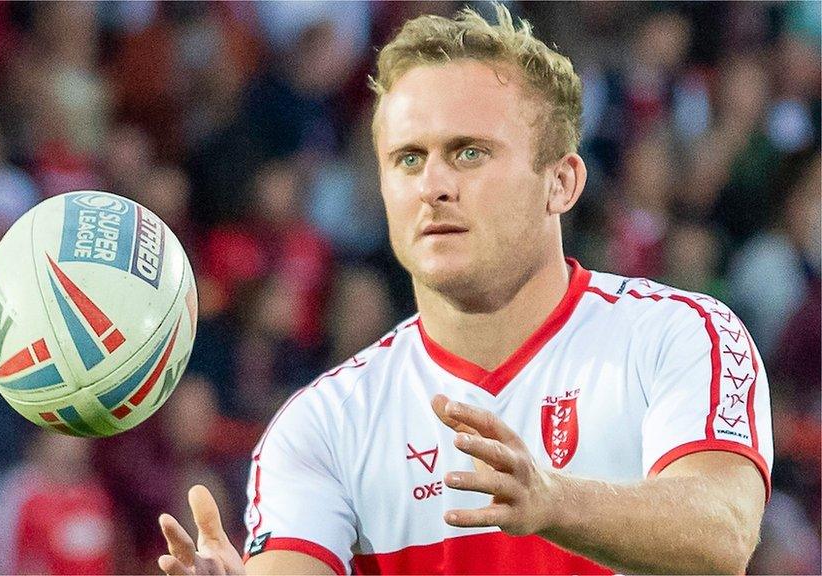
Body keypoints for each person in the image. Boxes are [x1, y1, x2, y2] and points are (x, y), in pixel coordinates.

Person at [157, 5, 772, 574]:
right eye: (408, 159)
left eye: (469, 153)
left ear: (561, 182)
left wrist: (555, 503)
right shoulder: (320, 426)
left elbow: (723, 532)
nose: (433, 185)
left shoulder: (681, 334)